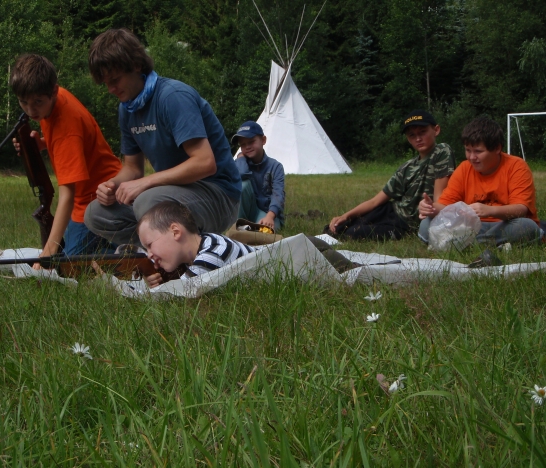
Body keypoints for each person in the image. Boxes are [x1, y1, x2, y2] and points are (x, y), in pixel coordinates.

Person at [83, 28, 242, 246]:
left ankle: (192, 251)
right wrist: (111, 185)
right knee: (96, 213)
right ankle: (155, 251)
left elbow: (205, 163)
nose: (110, 89)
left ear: (136, 65)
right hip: (173, 194)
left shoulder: (172, 97)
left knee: (148, 202)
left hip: (218, 194)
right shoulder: (127, 109)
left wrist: (145, 183)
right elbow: (133, 169)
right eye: (105, 83)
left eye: (115, 79)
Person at [9, 54, 122, 263]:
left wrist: (48, 252)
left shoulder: (66, 128)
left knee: (71, 263)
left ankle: (124, 246)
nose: (31, 110)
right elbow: (68, 143)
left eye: (37, 102)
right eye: (23, 102)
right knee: (69, 252)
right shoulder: (54, 99)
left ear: (53, 91)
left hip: (100, 199)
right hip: (92, 194)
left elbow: (67, 195)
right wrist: (42, 144)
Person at [137, 201, 361, 288]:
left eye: (149, 245)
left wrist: (151, 288)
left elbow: (180, 293)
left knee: (356, 274)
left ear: (176, 232)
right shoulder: (205, 244)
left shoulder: (211, 255)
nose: (149, 254)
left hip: (301, 256)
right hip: (296, 250)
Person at [326, 110, 455, 240]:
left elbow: (439, 199)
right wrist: (346, 215)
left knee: (353, 233)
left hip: (405, 224)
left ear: (436, 130)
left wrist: (432, 208)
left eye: (422, 132)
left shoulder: (442, 151)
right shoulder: (407, 167)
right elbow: (375, 201)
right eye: (412, 135)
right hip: (389, 210)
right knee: (336, 227)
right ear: (408, 139)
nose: (418, 139)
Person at [418, 116, 543, 246]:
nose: (472, 157)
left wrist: (489, 211)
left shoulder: (516, 166)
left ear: (497, 148)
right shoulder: (464, 168)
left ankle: (461, 243)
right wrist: (430, 208)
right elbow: (445, 206)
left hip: (504, 225)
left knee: (527, 226)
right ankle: (491, 244)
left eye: (478, 151)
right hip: (470, 226)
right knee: (426, 224)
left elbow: (520, 209)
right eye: (468, 150)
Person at [233, 121, 285, 230]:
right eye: (243, 144)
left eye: (251, 142)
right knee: (242, 184)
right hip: (248, 211)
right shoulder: (240, 163)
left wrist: (270, 216)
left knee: (264, 231)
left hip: (268, 213)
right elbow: (241, 175)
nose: (247, 147)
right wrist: (241, 158)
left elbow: (278, 195)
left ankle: (250, 228)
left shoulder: (276, 166)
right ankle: (238, 225)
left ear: (263, 140)